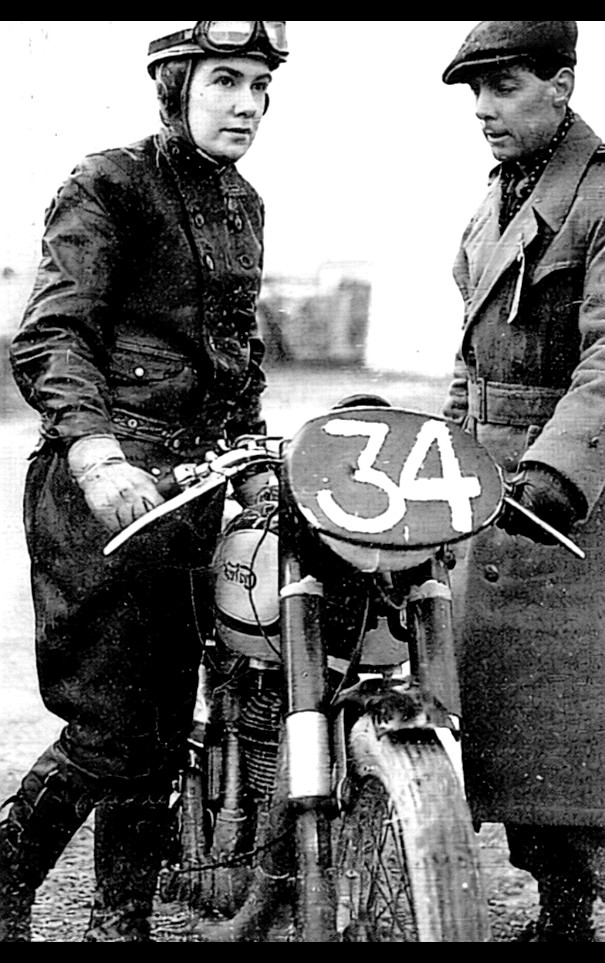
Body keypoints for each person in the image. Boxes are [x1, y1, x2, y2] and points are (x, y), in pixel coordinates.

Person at [1, 20, 288, 942]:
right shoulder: (109, 182)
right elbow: (53, 332)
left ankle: (116, 922)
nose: (247, 104)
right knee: (111, 727)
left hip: (193, 489)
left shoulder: (244, 203)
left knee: (163, 726)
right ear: (175, 85)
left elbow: (235, 362)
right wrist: (94, 452)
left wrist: (254, 468)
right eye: (226, 82)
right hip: (106, 490)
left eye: (259, 85)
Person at [441, 21, 605, 942]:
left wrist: (551, 473)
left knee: (572, 719)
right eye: (474, 92)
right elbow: (469, 357)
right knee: (509, 716)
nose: (482, 110)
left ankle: (575, 901)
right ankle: (558, 911)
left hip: (571, 501)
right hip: (490, 495)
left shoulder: (601, 193)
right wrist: (445, 454)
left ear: (561, 82)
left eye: (501, 88)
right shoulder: (497, 197)